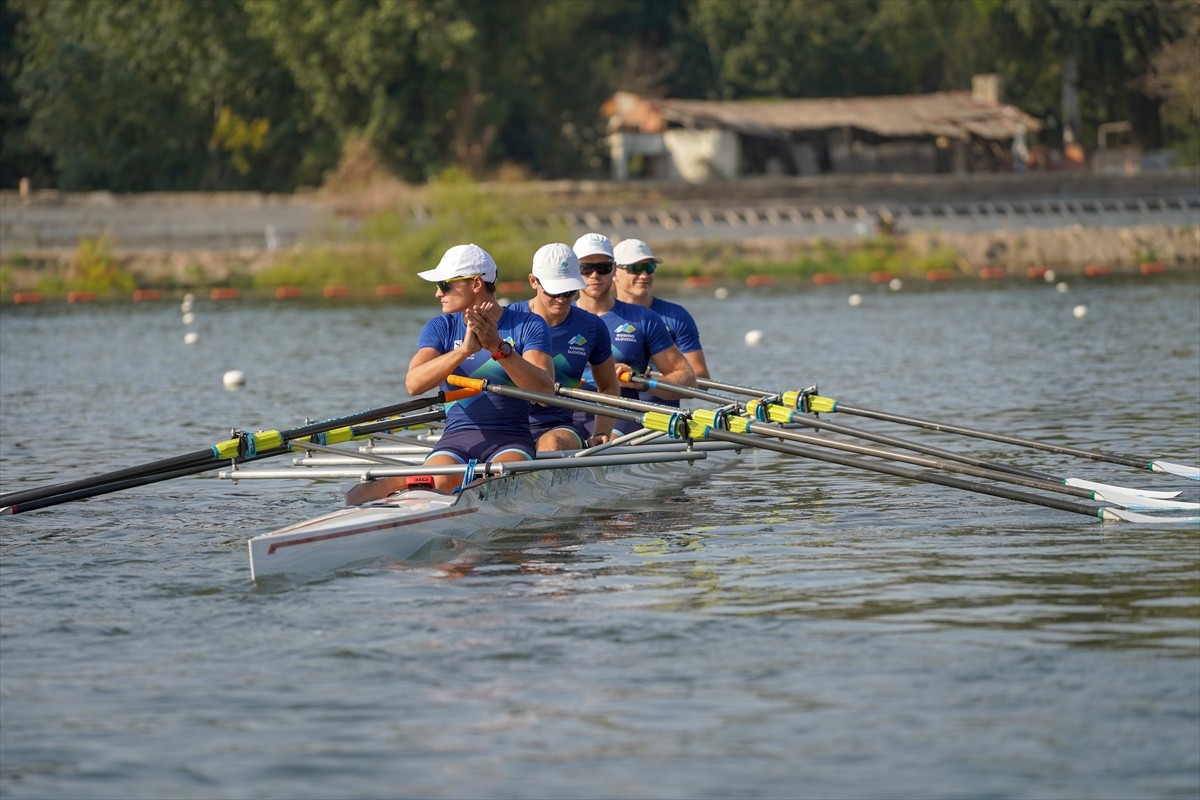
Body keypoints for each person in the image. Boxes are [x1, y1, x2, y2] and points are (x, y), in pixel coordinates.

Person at [405, 243, 555, 494]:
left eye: (445, 285)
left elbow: (544, 392)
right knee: (434, 485)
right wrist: (464, 351)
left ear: (476, 284)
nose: (438, 294)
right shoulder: (440, 327)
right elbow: (413, 385)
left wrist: (498, 347)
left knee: (493, 486)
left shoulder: (528, 324)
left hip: (511, 440)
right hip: (455, 439)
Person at [572, 232, 695, 435]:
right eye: (585, 268)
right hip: (569, 412)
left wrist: (641, 383)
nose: (594, 275)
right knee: (552, 442)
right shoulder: (556, 317)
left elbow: (687, 378)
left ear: (613, 271)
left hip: (622, 413)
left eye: (602, 268)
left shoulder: (643, 318)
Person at [506, 242, 620, 452]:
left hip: (557, 427)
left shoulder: (592, 326)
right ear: (533, 281)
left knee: (553, 443)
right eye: (554, 291)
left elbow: (608, 387)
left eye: (569, 291)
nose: (562, 299)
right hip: (506, 425)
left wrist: (602, 432)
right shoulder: (507, 320)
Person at [611, 237, 710, 407]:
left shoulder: (675, 316)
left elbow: (700, 378)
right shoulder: (601, 316)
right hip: (613, 411)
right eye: (635, 268)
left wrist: (647, 382)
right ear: (613, 273)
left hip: (661, 417)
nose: (644, 275)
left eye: (649, 268)